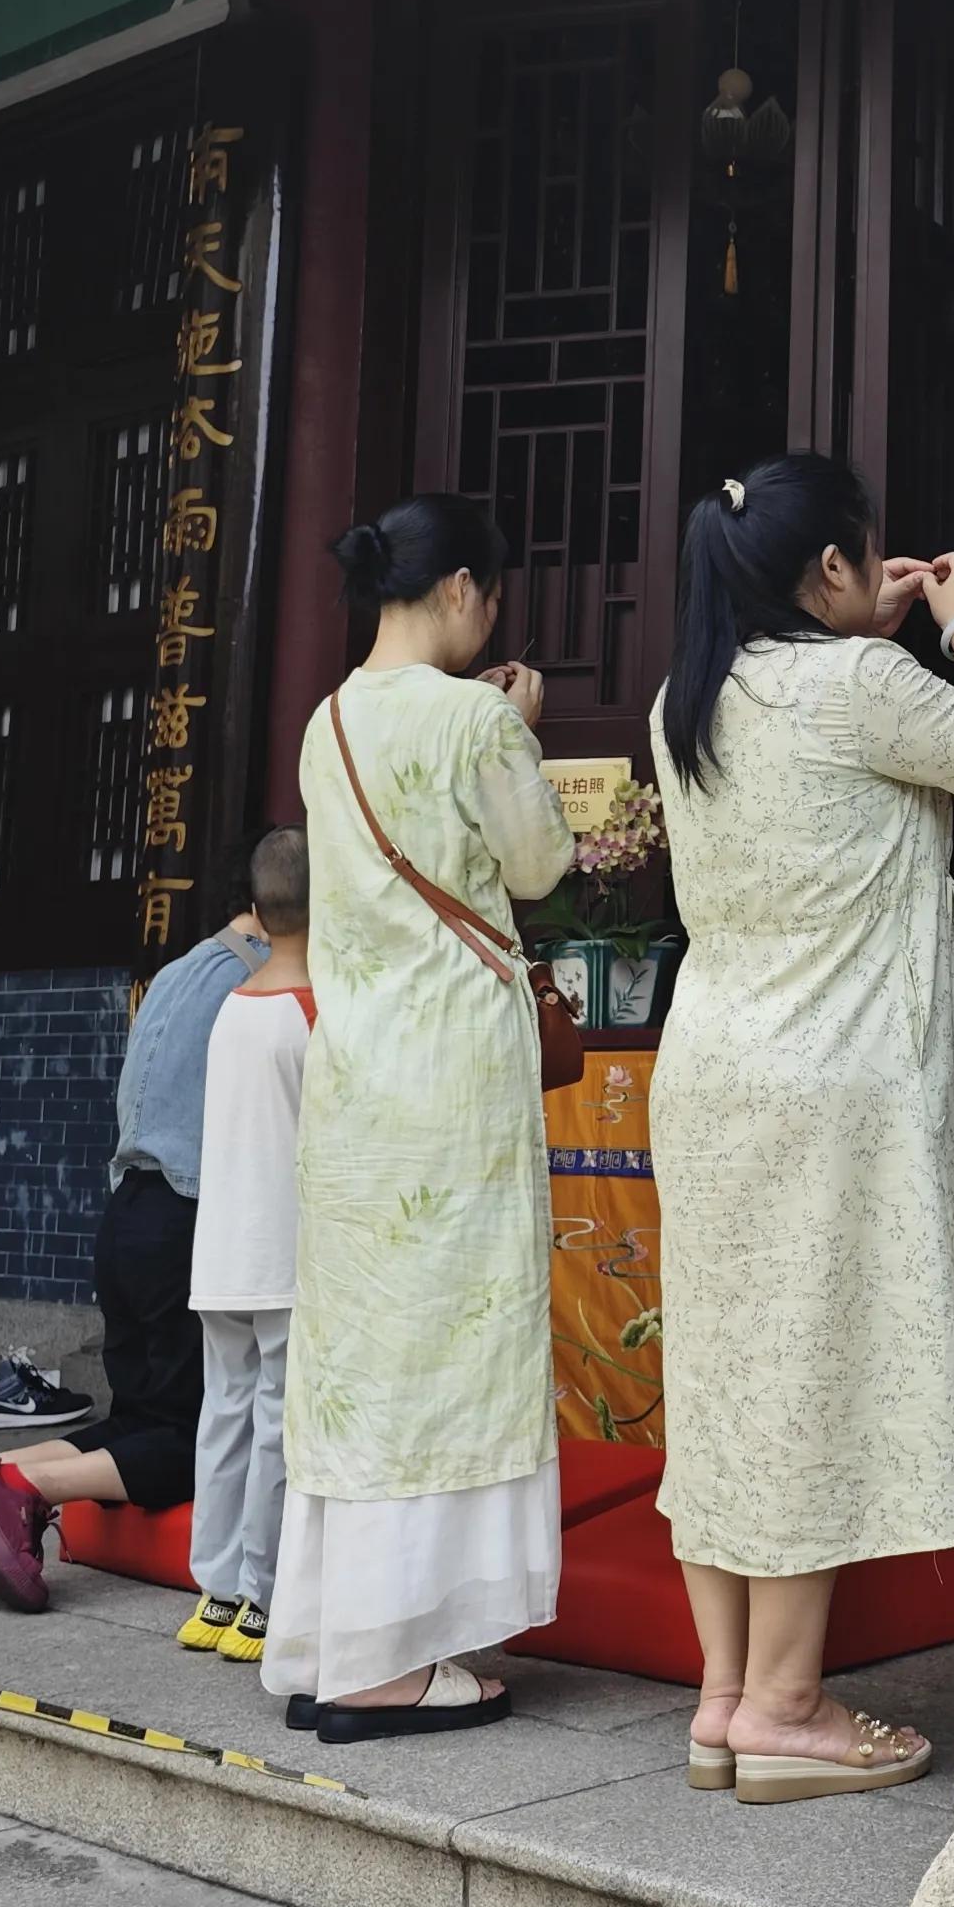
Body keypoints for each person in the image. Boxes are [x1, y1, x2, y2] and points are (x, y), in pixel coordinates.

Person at [649, 453, 954, 1806]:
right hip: (830, 1083)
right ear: (829, 568)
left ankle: (725, 1699)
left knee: (728, 1377)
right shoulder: (861, 684)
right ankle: (785, 1705)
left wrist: (864, 632)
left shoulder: (684, 701)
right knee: (809, 1375)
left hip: (714, 1073)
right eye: (860, 555)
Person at [272, 494, 576, 1740]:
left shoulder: (323, 721)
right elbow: (542, 865)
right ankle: (389, 1661)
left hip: (356, 1085)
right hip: (453, 1081)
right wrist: (518, 725)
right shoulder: (471, 719)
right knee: (453, 1353)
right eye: (490, 596)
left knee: (363, 1361)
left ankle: (344, 1634)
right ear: (461, 590)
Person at [0, 868, 265, 1609]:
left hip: (130, 1212)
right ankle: (18, 1485)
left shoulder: (177, 973)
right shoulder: (254, 986)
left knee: (142, 1417)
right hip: (188, 1218)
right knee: (195, 1439)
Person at [177, 824, 313, 1664]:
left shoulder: (233, 1003)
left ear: (256, 912)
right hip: (285, 1251)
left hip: (220, 1248)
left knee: (222, 1415)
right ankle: (261, 1597)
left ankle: (214, 1590)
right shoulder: (317, 1008)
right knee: (277, 1423)